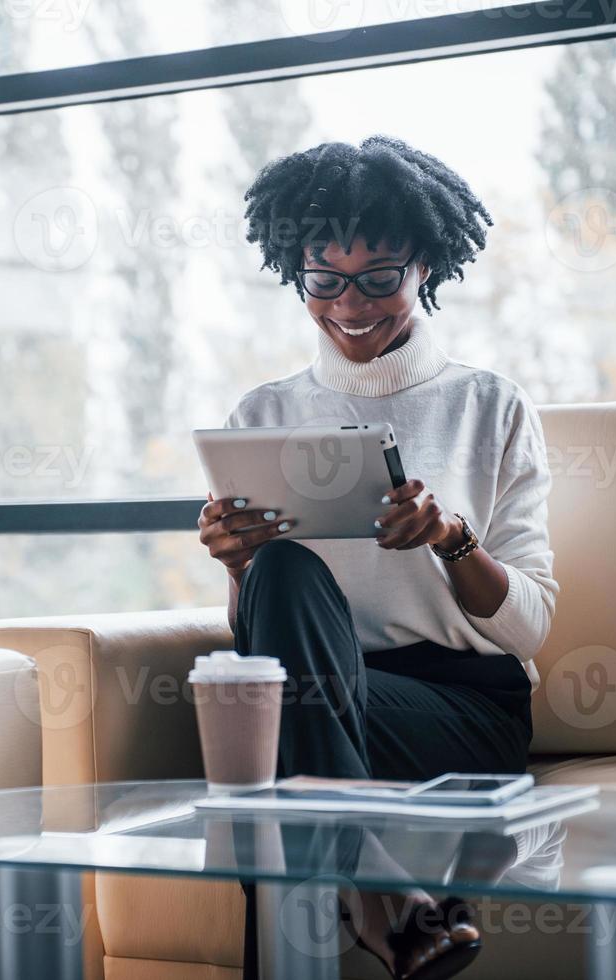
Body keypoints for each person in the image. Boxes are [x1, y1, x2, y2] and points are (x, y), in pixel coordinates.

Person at [197, 135, 559, 979]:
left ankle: (366, 898)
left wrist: (449, 538)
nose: (350, 305)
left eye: (378, 279)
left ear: (424, 266)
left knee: (271, 762)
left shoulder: (489, 405)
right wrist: (235, 565)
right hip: (317, 692)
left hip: (459, 712)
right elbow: (261, 626)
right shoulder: (265, 410)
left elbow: (532, 627)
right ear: (298, 276)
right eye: (325, 281)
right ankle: (383, 898)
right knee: (282, 580)